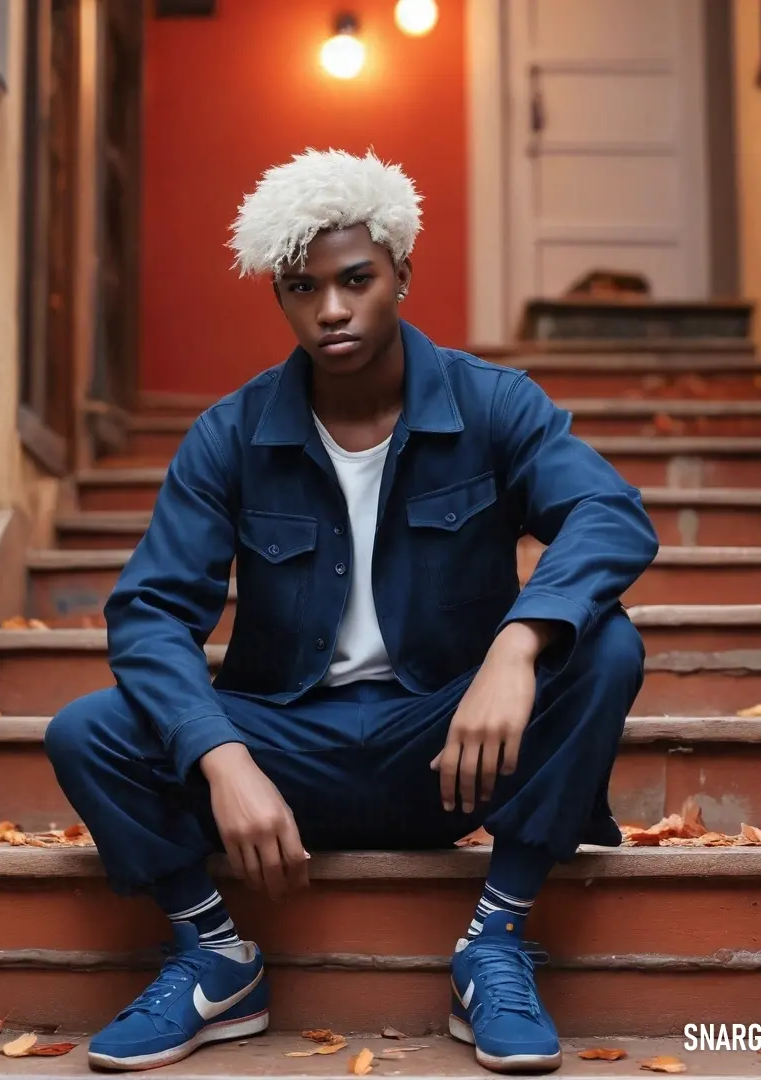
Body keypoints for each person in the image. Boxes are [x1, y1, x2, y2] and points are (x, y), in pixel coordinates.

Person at [45, 148, 659, 1074]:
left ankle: (494, 941)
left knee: (604, 646)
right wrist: (221, 758)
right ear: (281, 297)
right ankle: (216, 956)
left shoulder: (493, 405)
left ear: (402, 273)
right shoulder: (233, 434)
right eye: (301, 288)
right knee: (87, 730)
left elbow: (609, 514)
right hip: (287, 757)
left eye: (355, 280)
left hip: (451, 747)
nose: (330, 309)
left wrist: (516, 648)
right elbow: (148, 614)